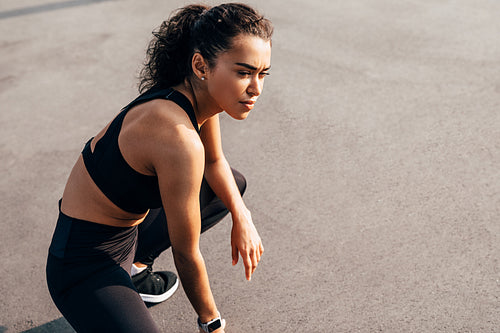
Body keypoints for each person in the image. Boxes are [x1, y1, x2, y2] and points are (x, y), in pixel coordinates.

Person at [45, 3, 273, 332]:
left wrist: (243, 216)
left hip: (129, 234)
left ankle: (136, 268)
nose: (256, 88)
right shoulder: (177, 137)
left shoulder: (199, 99)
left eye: (262, 73)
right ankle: (114, 286)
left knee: (229, 187)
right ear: (201, 65)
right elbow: (186, 253)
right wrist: (212, 323)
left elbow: (215, 162)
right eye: (243, 72)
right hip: (84, 263)